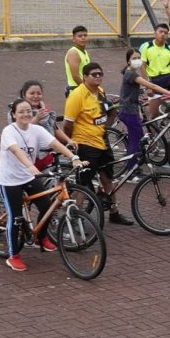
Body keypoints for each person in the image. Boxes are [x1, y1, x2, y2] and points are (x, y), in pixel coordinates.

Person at [0, 99, 84, 271]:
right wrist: (30, 165)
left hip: (29, 177)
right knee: (15, 218)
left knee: (47, 206)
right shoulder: (8, 131)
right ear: (13, 114)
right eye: (21, 112)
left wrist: (73, 157)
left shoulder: (36, 130)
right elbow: (16, 150)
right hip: (10, 180)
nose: (26, 114)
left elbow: (55, 144)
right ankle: (13, 255)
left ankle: (41, 238)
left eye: (29, 111)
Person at [64, 61, 132, 225]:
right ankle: (76, 218)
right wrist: (72, 143)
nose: (98, 77)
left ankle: (114, 213)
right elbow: (67, 124)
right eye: (94, 75)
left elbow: (108, 111)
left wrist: (106, 125)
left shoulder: (100, 92)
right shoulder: (77, 96)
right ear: (85, 77)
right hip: (86, 144)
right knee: (84, 182)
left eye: (100, 74)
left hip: (102, 141)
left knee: (107, 178)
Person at [119, 48, 170, 174]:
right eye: (134, 58)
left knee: (137, 138)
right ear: (128, 61)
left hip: (130, 109)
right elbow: (152, 86)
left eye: (139, 58)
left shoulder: (130, 72)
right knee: (135, 141)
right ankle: (132, 171)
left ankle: (136, 163)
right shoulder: (131, 74)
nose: (137, 61)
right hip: (128, 111)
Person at [17, 80, 72, 171]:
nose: (36, 96)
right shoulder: (18, 110)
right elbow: (21, 129)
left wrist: (68, 140)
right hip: (29, 156)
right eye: (32, 93)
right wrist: (37, 118)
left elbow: (54, 128)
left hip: (46, 153)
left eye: (39, 93)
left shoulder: (43, 109)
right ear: (24, 94)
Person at [64, 25, 90, 97]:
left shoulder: (84, 52)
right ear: (73, 39)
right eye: (80, 36)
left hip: (82, 90)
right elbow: (75, 76)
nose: (83, 38)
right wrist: (89, 89)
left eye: (85, 35)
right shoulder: (73, 53)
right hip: (76, 92)